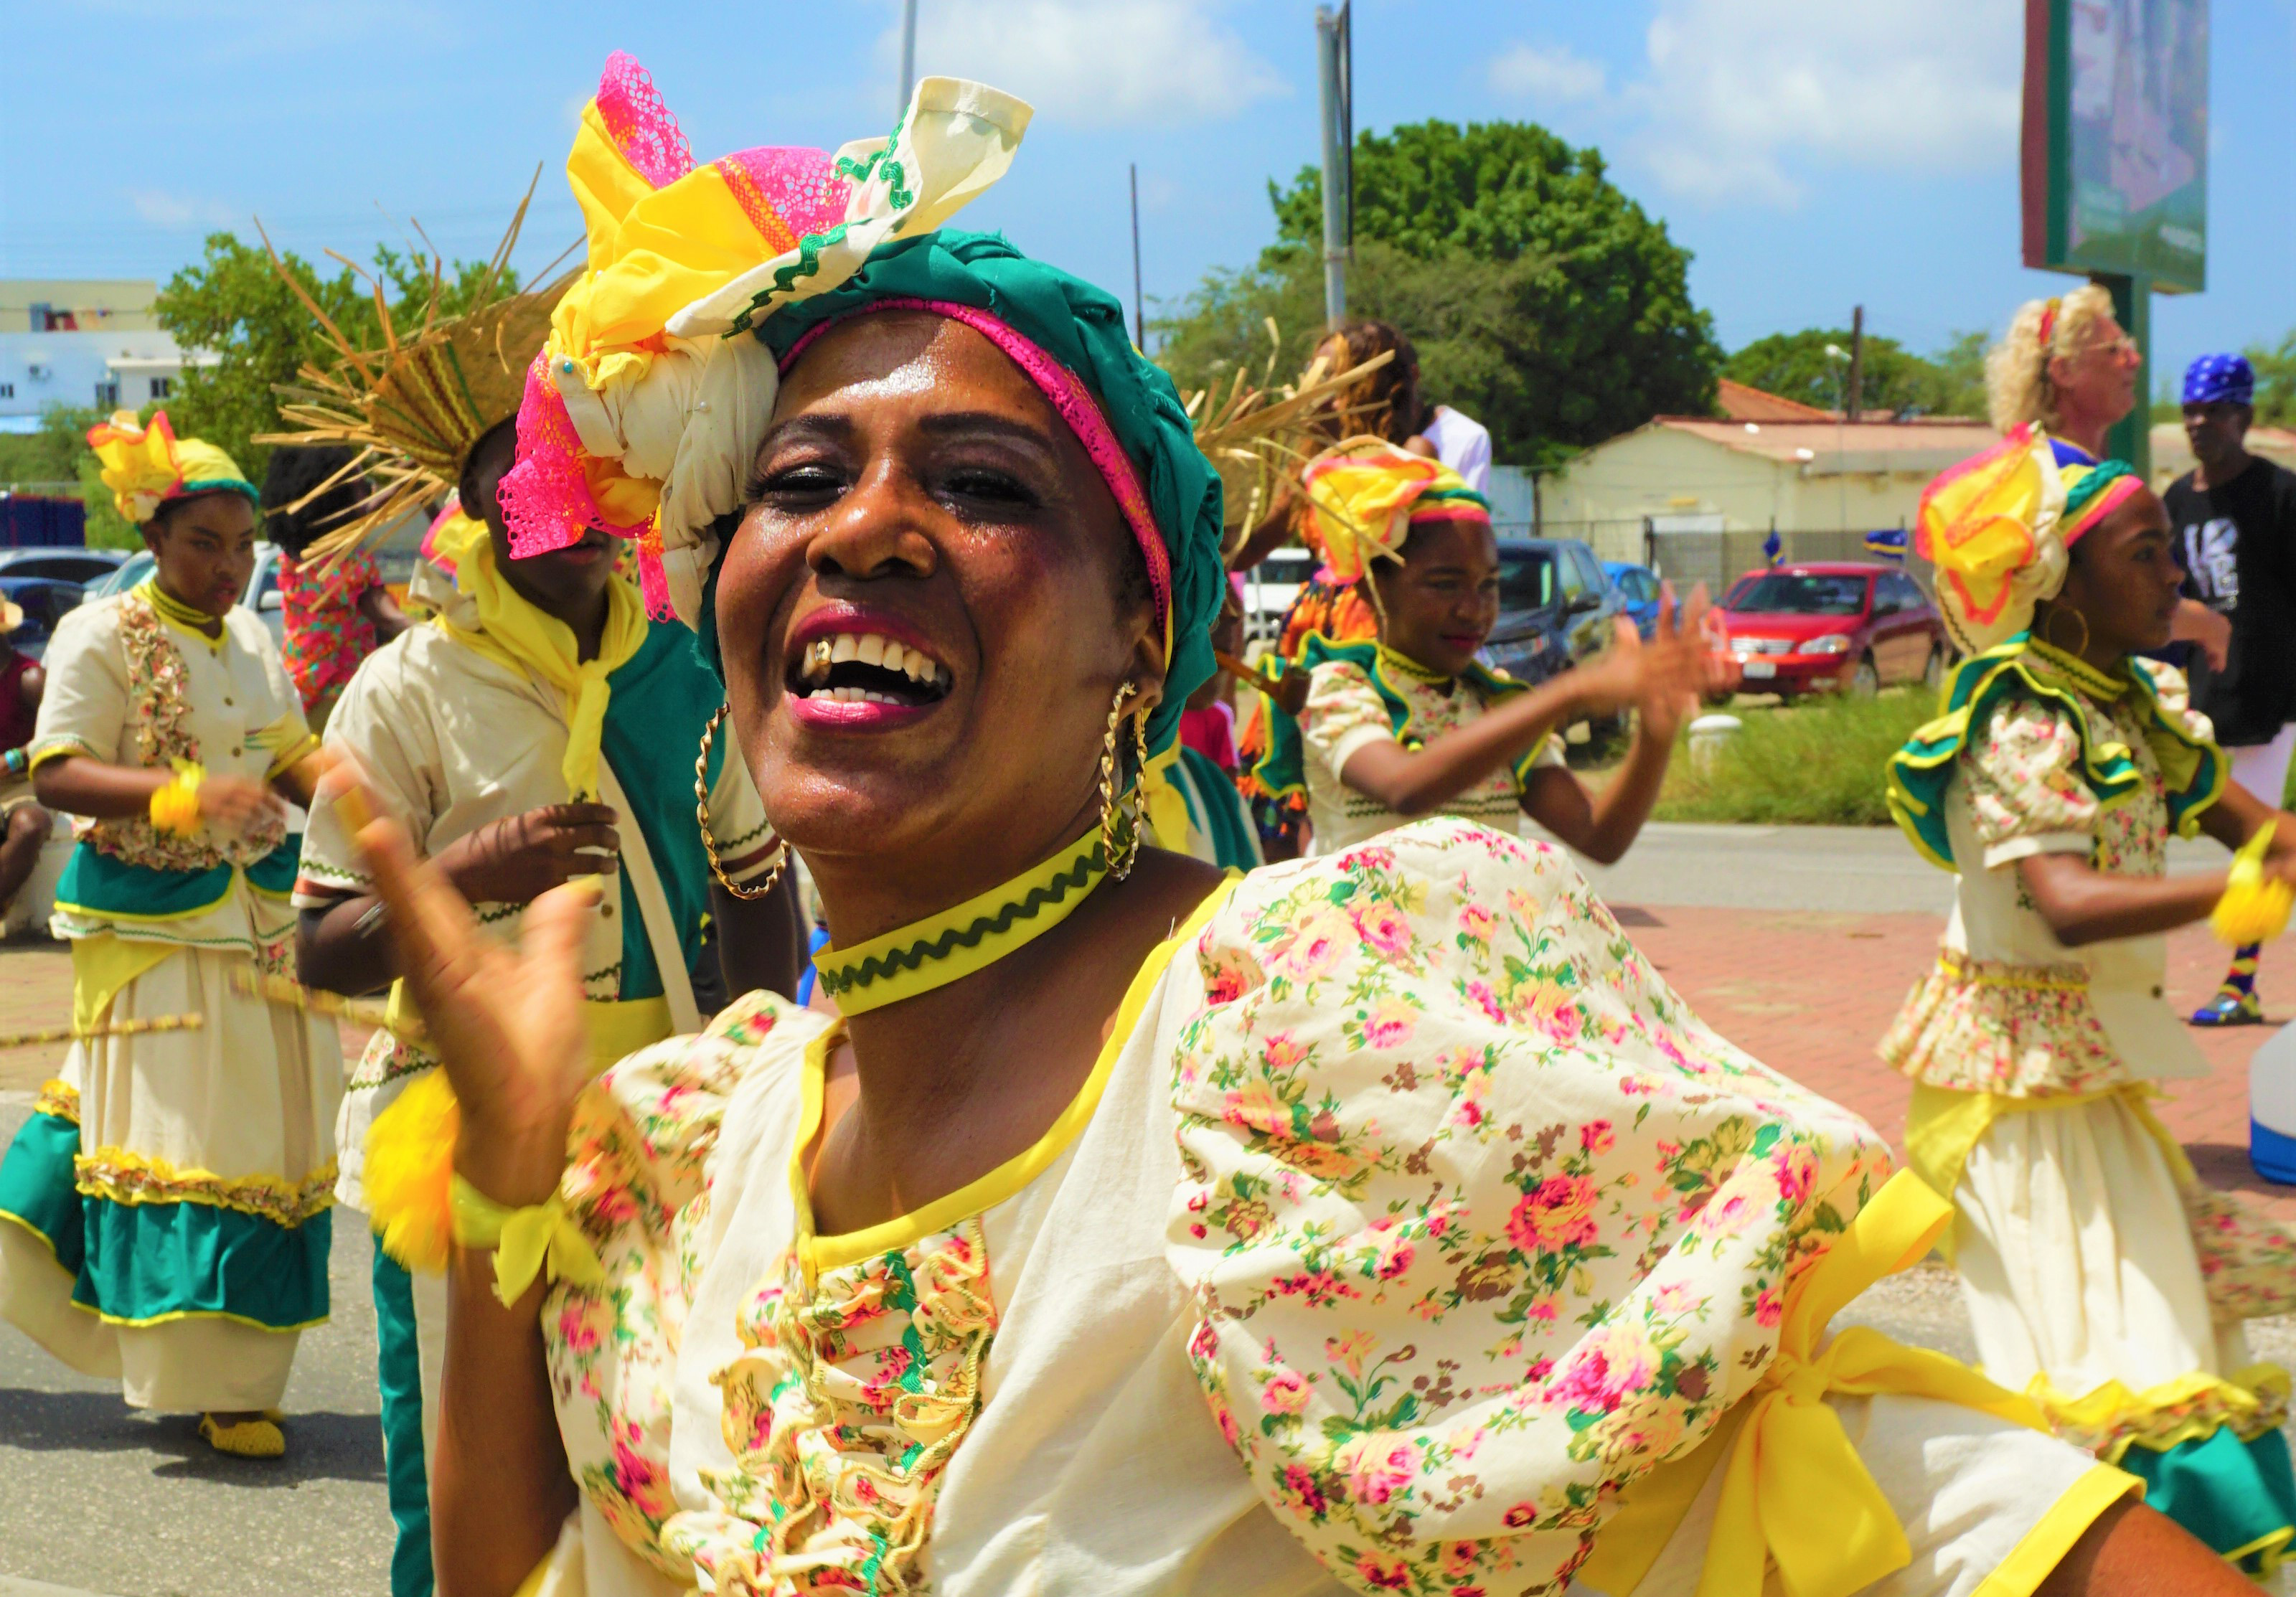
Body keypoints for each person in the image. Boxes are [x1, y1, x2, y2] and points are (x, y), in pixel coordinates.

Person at [336, 57, 2247, 1597]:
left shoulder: (1319, 1049)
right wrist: (507, 1178)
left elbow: (1948, 1523)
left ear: (1143, 634)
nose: (860, 524)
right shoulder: (691, 1143)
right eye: (801, 476)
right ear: (715, 580)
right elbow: (529, 1563)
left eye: (978, 478)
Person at [274, 202, 803, 1596]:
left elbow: (760, 899)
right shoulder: (404, 690)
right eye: (534, 489)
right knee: (458, 1476)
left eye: (591, 479)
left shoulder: (686, 676)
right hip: (455, 1127)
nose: (569, 513)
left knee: (650, 1457)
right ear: (483, 512)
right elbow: (317, 944)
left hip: (659, 1126)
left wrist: (747, 1080)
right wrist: (471, 875)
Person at [1885, 433, 2296, 1575]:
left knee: (2174, 1337)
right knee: (2102, 1363)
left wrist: (2270, 859)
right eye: (2145, 551)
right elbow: (2063, 899)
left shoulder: (2133, 706)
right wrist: (2243, 889)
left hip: (2093, 1079)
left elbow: (2264, 832)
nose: (2177, 574)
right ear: (2054, 581)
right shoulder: (2018, 718)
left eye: (2172, 549)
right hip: (2014, 1096)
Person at [0, 410, 338, 1459]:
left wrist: (381, 798)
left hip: (255, 917)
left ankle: (236, 1373)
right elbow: (56, 772)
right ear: (152, 536)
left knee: (267, 1133)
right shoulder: (99, 633)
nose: (231, 565)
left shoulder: (249, 639)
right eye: (207, 542)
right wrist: (187, 796)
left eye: (243, 544)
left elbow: (295, 759)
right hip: (149, 923)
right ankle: (209, 1378)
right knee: (184, 1135)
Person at [1251, 441, 1727, 862]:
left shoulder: (1495, 706)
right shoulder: (1339, 687)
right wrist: (1571, 692)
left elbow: (1599, 837)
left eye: (1490, 585)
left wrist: (1655, 736)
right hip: (1368, 958)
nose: (1473, 610)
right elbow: (1406, 787)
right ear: (1376, 586)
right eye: (1444, 585)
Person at [2162, 354, 2296, 1026]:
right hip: (2203, 694)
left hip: (2273, 696)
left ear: (2243, 415)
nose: (2198, 423)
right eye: (2190, 410)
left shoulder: (2280, 494)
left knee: (2258, 838)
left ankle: (2241, 983)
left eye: (2213, 410)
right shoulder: (2178, 501)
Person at [259, 443, 410, 730]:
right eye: (360, 484)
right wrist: (431, 634)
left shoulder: (300, 561)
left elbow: (366, 510)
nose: (368, 489)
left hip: (301, 695)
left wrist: (406, 474)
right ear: (337, 502)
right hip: (338, 698)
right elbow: (386, 615)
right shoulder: (345, 567)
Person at [0, 597, 52, 920]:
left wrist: (14, 759)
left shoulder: (29, 678)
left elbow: (63, 735)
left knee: (31, 826)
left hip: (23, 784)